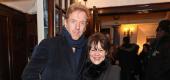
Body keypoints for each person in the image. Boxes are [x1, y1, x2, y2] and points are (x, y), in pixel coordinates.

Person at [21, 3, 90, 80]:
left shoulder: (88, 47)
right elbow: (29, 75)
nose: (78, 27)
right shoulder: (48, 44)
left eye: (82, 23)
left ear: (85, 27)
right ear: (66, 23)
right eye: (73, 21)